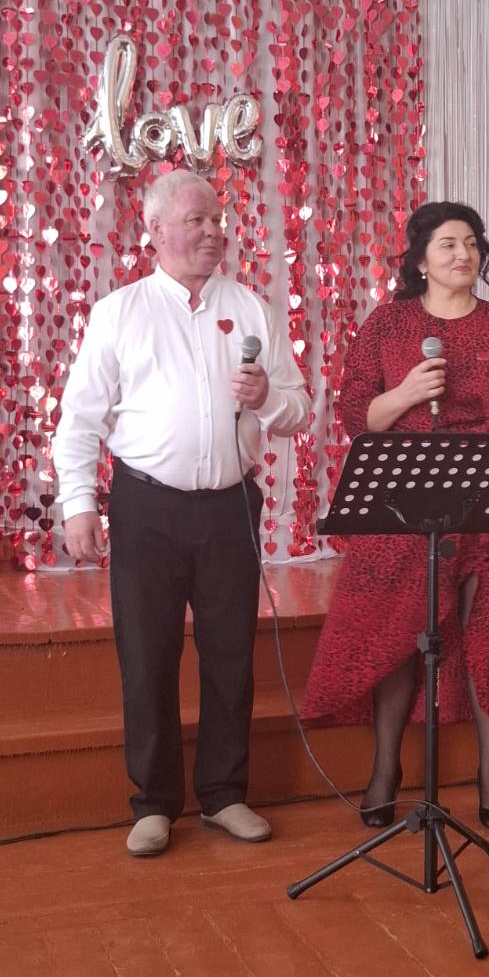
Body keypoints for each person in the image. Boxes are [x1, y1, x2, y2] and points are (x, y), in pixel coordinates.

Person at [53, 170, 310, 859]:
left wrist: (265, 398)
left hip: (229, 507)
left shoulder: (251, 308)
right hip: (146, 507)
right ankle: (155, 803)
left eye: (217, 219)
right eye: (196, 220)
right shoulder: (120, 312)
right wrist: (78, 503)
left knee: (229, 656)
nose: (212, 231)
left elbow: (298, 409)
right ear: (156, 230)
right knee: (147, 656)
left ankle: (224, 794)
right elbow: (79, 418)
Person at [300, 201, 489, 832]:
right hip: (400, 508)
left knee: (487, 635)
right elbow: (356, 414)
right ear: (419, 259)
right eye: (447, 243)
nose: (463, 254)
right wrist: (407, 394)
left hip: (485, 509)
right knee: (396, 636)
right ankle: (385, 770)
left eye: (471, 243)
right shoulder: (388, 325)